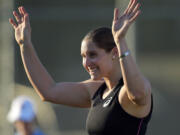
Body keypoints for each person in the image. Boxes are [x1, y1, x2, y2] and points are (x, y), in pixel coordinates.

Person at [9, 0, 153, 134]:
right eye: (84, 56)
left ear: (115, 53)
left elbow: (137, 95)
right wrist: (25, 45)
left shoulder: (128, 92)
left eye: (93, 54)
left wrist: (120, 41)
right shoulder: (96, 90)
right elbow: (49, 91)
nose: (86, 62)